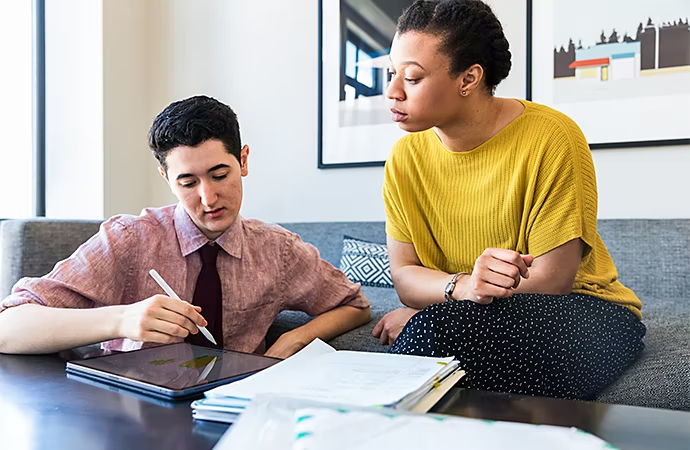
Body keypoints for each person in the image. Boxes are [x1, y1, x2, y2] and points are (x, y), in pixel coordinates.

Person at [371, 0, 645, 401]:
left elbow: (553, 278)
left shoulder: (552, 137)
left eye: (411, 78)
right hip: (471, 312)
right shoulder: (403, 159)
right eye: (392, 73)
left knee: (433, 337)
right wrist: (463, 289)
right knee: (437, 341)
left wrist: (441, 311)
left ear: (469, 77)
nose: (392, 91)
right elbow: (405, 277)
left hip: (588, 313)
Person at [0, 95, 371, 358]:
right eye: (188, 182)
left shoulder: (278, 251)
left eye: (219, 174)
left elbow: (354, 305)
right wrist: (122, 319)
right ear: (165, 177)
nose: (208, 199)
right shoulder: (128, 240)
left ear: (243, 160)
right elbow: (9, 327)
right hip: (132, 412)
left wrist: (295, 340)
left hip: (234, 411)